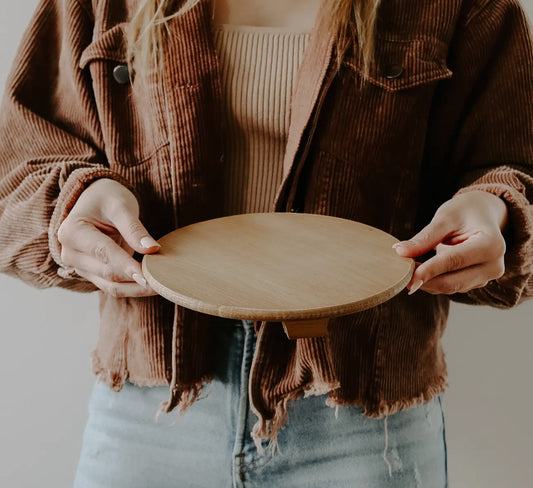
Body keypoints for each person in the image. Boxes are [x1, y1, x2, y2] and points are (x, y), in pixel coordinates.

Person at [0, 0, 532, 486]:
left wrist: (497, 209)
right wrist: (72, 203)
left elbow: (514, 166)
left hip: (362, 415)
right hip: (153, 402)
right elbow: (16, 168)